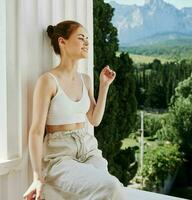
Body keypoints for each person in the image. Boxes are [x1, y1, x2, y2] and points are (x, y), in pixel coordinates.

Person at [23, 20, 127, 200]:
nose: (87, 42)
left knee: (110, 190)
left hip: (89, 148)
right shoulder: (48, 81)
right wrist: (37, 177)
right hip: (60, 154)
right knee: (112, 188)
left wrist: (104, 86)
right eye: (81, 38)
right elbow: (36, 132)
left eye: (87, 39)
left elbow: (94, 120)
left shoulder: (85, 80)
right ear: (62, 42)